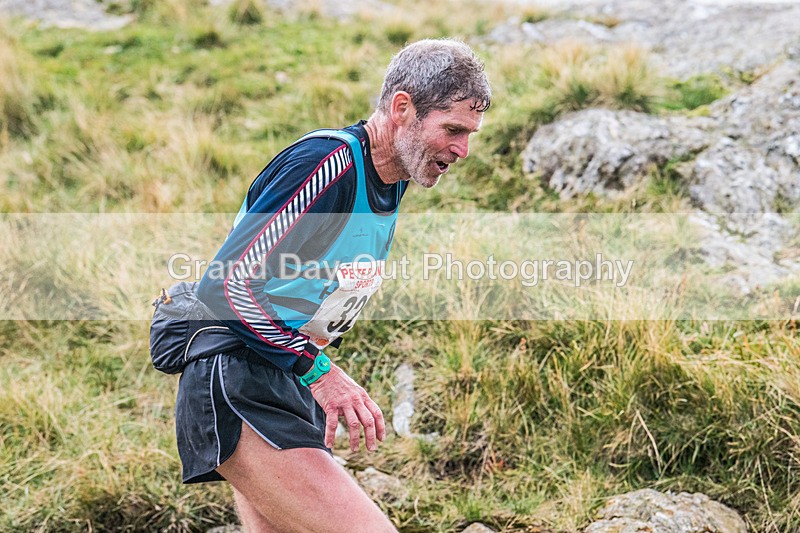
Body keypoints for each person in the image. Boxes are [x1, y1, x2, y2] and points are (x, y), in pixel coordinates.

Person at [176, 38, 491, 532]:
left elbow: (312, 292)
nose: (462, 150)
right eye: (452, 129)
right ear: (402, 109)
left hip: (280, 377)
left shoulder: (393, 177)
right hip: (235, 376)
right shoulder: (328, 165)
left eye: (470, 134)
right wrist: (319, 373)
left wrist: (309, 385)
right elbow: (227, 285)